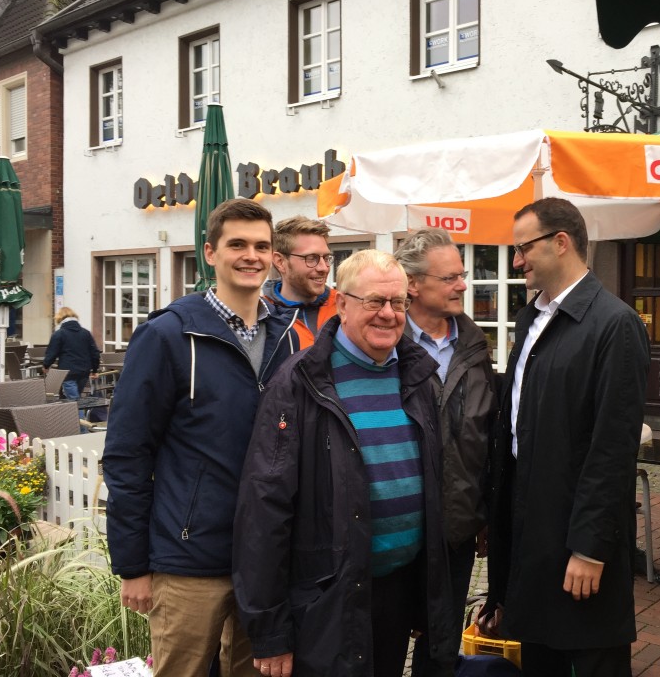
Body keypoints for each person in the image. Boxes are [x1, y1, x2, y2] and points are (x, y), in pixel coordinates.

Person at [103, 199, 299, 677]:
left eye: (260, 246)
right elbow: (127, 453)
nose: (250, 255)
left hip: (265, 558)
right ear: (210, 253)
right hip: (189, 557)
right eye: (237, 244)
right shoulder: (168, 336)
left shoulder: (288, 336)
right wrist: (132, 565)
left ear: (274, 256)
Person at [233, 249, 451, 677]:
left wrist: (429, 604)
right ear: (343, 303)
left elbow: (432, 487)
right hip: (327, 594)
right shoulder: (300, 383)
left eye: (398, 303)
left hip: (397, 588)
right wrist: (271, 631)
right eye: (374, 301)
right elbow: (264, 508)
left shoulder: (418, 375)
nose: (388, 314)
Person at [480, 198, 650, 677]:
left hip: (576, 529)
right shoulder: (532, 318)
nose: (516, 261)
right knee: (539, 652)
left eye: (523, 248)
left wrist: (590, 548)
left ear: (561, 242)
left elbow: (612, 448)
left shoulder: (614, 325)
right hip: (531, 518)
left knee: (592, 658)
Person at [394, 228, 499, 676]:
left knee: (440, 650)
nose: (463, 285)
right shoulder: (383, 342)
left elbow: (487, 436)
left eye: (463, 275)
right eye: (450, 278)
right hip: (395, 531)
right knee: (384, 641)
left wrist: (484, 513)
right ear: (412, 284)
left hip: (455, 528)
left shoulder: (475, 348)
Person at [265, 216, 339, 344]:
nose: (324, 268)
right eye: (311, 258)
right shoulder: (261, 316)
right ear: (280, 262)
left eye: (326, 258)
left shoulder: (343, 306)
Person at [41, 306, 100, 401]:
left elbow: (52, 352)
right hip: (84, 371)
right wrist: (95, 370)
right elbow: (95, 353)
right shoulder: (86, 333)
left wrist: (46, 366)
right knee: (76, 397)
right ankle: (76, 415)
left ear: (60, 318)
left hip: (67, 372)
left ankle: (78, 416)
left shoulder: (59, 334)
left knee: (73, 400)